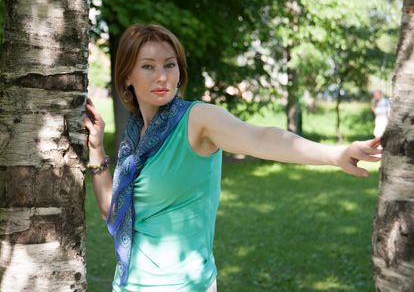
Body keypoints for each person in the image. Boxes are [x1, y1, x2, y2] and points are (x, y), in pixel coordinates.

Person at [82, 24, 382, 292]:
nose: (162, 76)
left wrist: (335, 154)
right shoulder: (134, 139)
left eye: (169, 65)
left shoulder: (197, 120)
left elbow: (261, 138)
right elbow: (113, 211)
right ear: (127, 77)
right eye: (148, 66)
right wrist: (96, 148)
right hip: (126, 284)